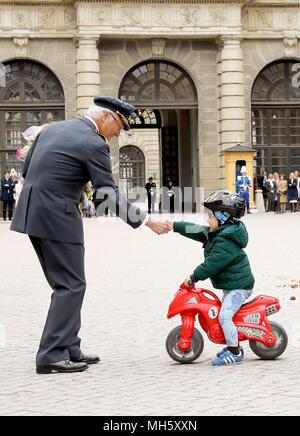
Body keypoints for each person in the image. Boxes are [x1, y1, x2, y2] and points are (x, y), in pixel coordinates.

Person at [11, 96, 171, 374]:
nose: (119, 132)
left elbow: (27, 172)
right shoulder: (94, 142)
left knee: (68, 283)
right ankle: (51, 355)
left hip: (31, 213)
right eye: (120, 125)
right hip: (58, 217)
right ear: (106, 117)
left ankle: (69, 347)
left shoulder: (53, 129)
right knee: (70, 285)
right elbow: (107, 193)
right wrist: (146, 220)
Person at [169, 190, 254, 366]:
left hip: (239, 287)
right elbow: (197, 230)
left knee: (224, 316)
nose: (207, 220)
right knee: (226, 315)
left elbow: (212, 264)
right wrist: (174, 226)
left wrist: (193, 277)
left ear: (222, 217)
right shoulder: (220, 232)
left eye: (210, 216)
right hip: (232, 285)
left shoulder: (226, 241)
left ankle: (234, 351)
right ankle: (233, 343)